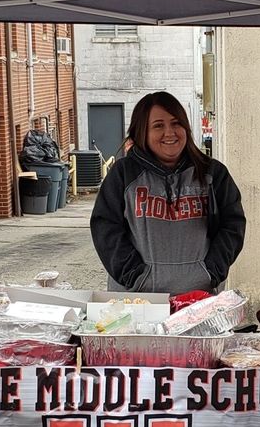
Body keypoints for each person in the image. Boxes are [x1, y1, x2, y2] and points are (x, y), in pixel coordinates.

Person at [91, 91, 245, 294]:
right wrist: (134, 275)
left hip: (199, 300)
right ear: (142, 132)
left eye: (176, 123)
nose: (170, 132)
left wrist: (211, 271)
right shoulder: (123, 174)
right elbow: (105, 229)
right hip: (136, 299)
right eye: (158, 126)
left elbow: (232, 225)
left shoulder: (213, 173)